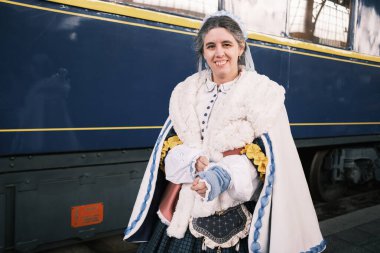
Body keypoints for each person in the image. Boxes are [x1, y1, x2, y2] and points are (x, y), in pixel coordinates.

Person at [124, 11, 326, 253]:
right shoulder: (186, 93)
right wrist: (190, 162)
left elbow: (268, 160)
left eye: (226, 44)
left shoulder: (263, 94)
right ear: (203, 52)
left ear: (241, 48)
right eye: (211, 46)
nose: (219, 53)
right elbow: (168, 148)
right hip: (182, 211)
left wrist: (222, 176)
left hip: (231, 218)